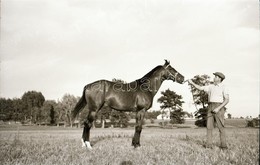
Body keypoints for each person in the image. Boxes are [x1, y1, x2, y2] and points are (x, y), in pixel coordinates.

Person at [188, 72, 229, 149]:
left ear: (220, 79)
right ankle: (208, 146)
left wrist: (218, 108)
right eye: (214, 76)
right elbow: (200, 88)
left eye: (216, 77)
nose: (214, 78)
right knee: (209, 127)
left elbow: (227, 100)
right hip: (210, 106)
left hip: (219, 107)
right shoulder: (210, 86)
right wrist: (191, 82)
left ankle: (223, 146)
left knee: (221, 127)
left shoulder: (224, 87)